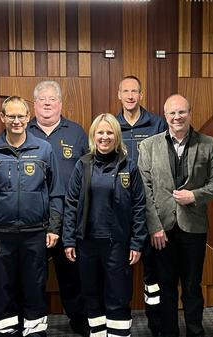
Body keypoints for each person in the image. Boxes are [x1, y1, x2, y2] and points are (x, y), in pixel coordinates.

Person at [0, 96, 64, 337]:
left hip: (36, 234)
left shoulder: (44, 150)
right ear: (2, 117)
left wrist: (54, 228)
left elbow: (56, 192)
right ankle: (5, 332)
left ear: (28, 117)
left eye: (21, 116)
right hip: (0, 236)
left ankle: (35, 333)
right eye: (10, 116)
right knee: (3, 289)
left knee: (34, 288)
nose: (16, 121)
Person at [138, 94, 213, 337]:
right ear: (165, 116)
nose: (177, 117)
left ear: (189, 113)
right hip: (161, 230)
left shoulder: (206, 143)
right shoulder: (149, 145)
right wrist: (154, 227)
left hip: (193, 227)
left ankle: (195, 332)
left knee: (192, 287)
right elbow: (144, 189)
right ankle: (168, 332)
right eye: (172, 113)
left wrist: (194, 196)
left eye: (181, 112)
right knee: (165, 287)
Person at [63, 113, 147, 337]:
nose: (105, 137)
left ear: (116, 136)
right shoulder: (83, 165)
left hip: (117, 244)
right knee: (91, 295)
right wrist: (69, 239)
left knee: (118, 296)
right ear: (93, 136)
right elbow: (71, 203)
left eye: (109, 132)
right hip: (87, 243)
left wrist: (137, 243)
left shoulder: (130, 167)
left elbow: (139, 207)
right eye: (100, 132)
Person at [27, 81, 89, 335]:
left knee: (72, 276)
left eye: (52, 99)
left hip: (70, 219)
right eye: (42, 99)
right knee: (33, 277)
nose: (47, 103)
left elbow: (90, 171)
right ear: (34, 105)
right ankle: (34, 325)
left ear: (61, 104)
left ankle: (79, 322)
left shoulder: (76, 132)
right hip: (33, 219)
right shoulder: (23, 131)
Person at [116, 75, 167, 335]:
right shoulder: (111, 125)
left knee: (153, 273)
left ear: (141, 94)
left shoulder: (158, 123)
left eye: (134, 91)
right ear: (119, 95)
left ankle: (155, 323)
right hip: (121, 211)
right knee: (120, 269)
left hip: (152, 209)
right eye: (126, 91)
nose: (130, 96)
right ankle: (119, 322)